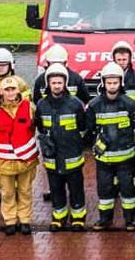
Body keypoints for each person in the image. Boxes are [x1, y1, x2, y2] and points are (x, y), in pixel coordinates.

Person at [90, 61, 135, 230]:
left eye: (115, 82)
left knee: (128, 191)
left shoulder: (130, 104)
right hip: (104, 159)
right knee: (104, 190)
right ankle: (105, 219)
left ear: (121, 82)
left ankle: (130, 220)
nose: (112, 86)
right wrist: (98, 142)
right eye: (109, 82)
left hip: (125, 158)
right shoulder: (94, 105)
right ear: (103, 83)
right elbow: (90, 129)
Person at [36, 64, 91, 232]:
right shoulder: (41, 104)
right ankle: (58, 217)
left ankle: (78, 217)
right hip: (52, 158)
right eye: (53, 83)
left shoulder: (75, 104)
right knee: (56, 188)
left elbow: (83, 127)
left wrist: (75, 143)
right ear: (48, 84)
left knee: (76, 189)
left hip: (72, 155)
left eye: (60, 83)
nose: (57, 86)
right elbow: (40, 127)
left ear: (65, 83)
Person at [0, 75, 41, 235]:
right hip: (3, 161)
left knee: (25, 191)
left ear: (18, 90)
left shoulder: (30, 107)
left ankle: (25, 220)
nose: (10, 93)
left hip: (26, 160)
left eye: (13, 89)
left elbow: (35, 128)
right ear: (0, 92)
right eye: (7, 90)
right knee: (7, 193)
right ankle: (10, 221)